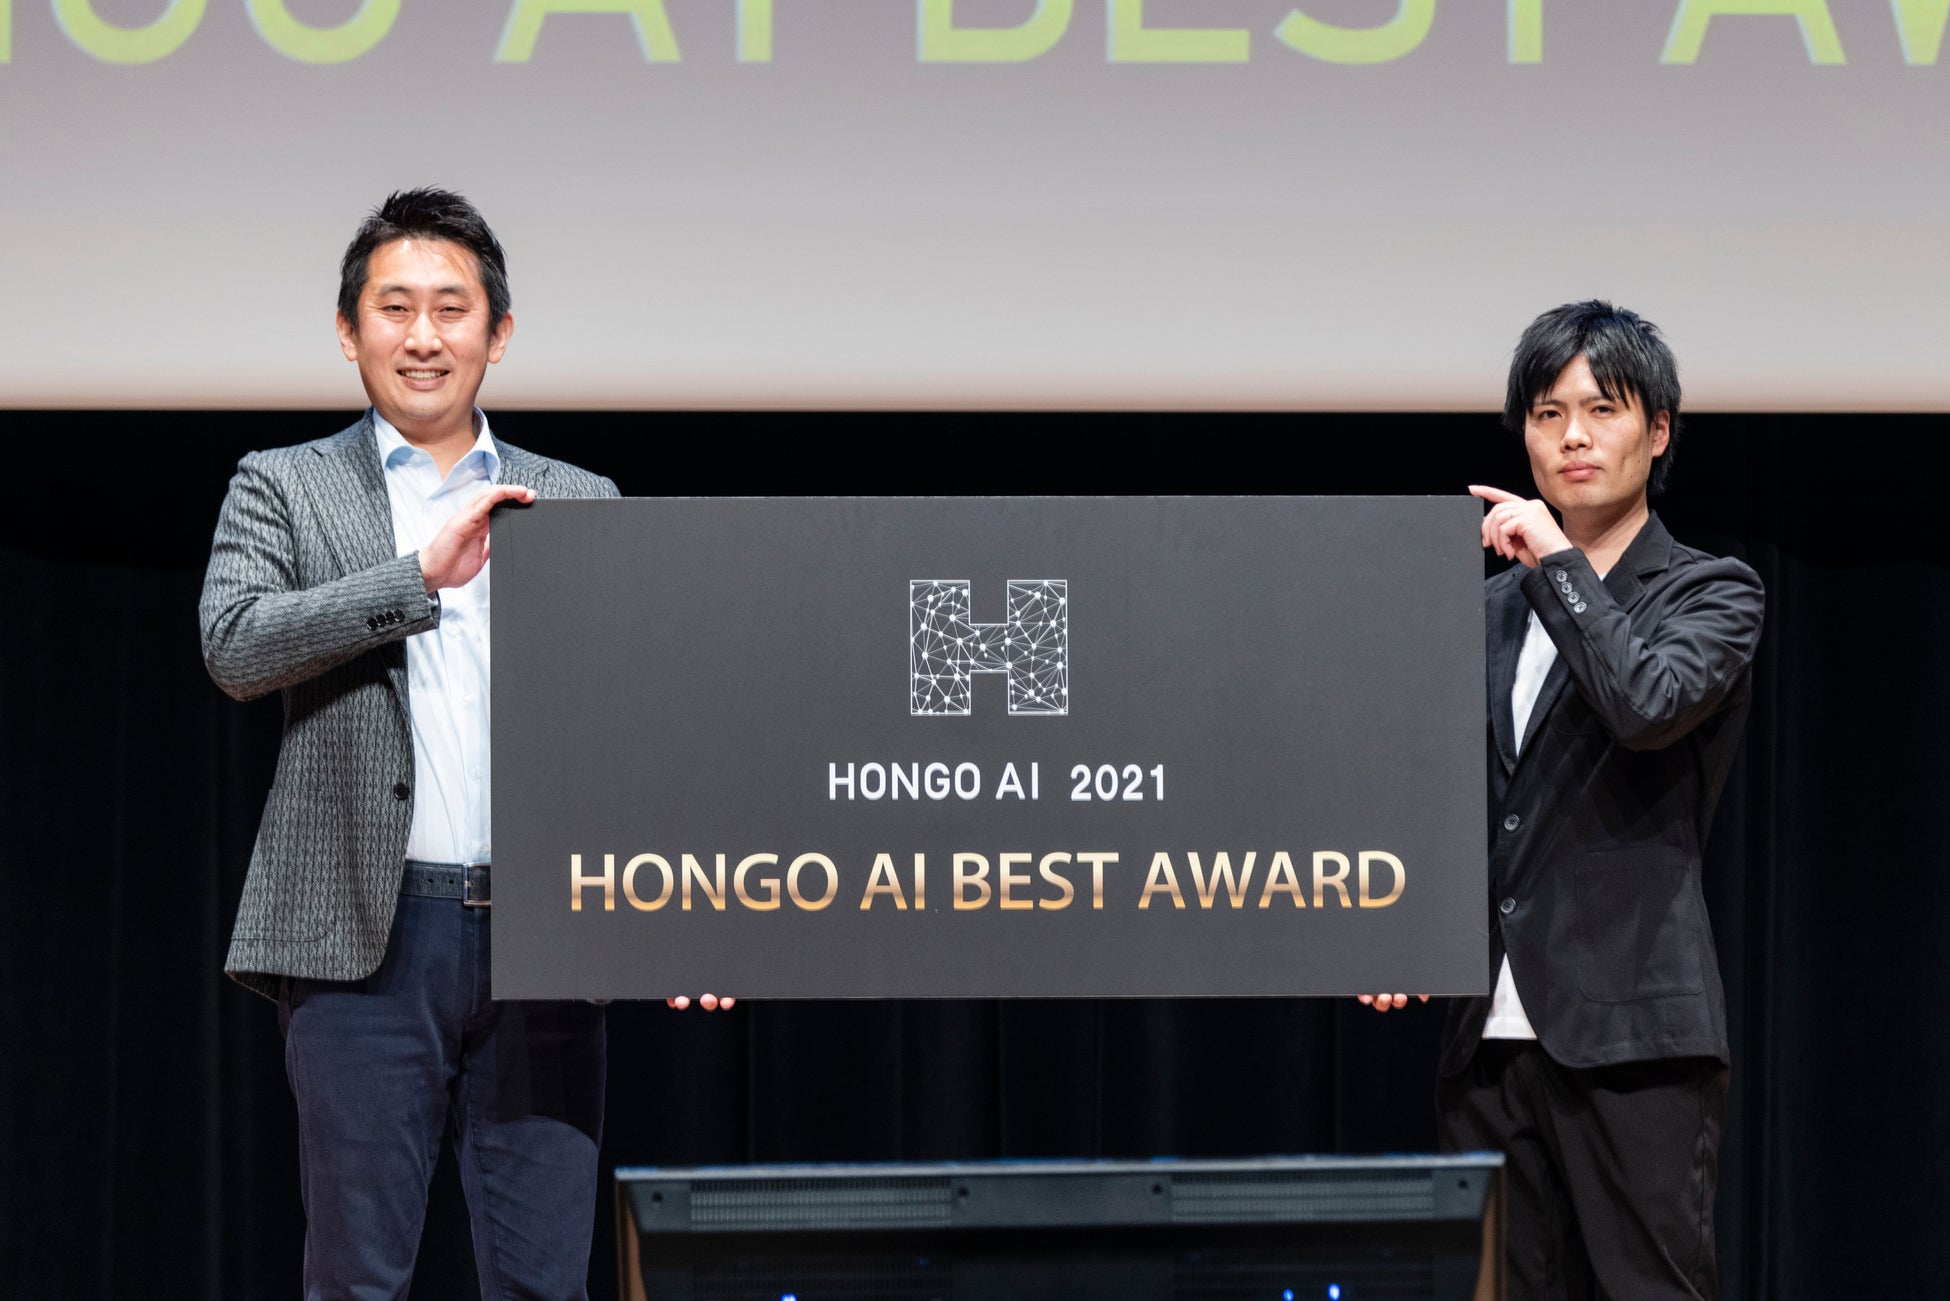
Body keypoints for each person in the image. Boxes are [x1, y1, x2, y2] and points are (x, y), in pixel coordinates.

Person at [200, 187, 729, 1299]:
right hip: (363, 938)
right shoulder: (284, 484)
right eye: (395, 307)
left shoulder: (577, 497)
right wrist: (415, 580)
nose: (424, 336)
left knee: (547, 1281)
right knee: (357, 1280)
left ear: (499, 332)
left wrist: (678, 915)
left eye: (452, 307)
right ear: (349, 330)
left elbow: (638, 722)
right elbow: (236, 644)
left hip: (548, 935)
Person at [1361, 301, 1763, 1299]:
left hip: (1634, 1038)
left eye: (1601, 409)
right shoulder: (1481, 609)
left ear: (1657, 432)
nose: (1573, 436)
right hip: (1484, 1043)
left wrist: (1560, 567)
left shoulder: (1713, 591)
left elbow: (1646, 705)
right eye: (1547, 414)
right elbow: (1439, 793)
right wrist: (1400, 926)